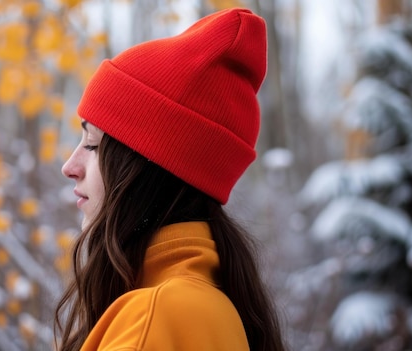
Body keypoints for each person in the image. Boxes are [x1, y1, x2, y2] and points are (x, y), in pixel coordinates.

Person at [56, 7, 285, 351]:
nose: (70, 166)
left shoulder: (155, 318)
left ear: (150, 165)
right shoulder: (213, 303)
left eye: (92, 144)